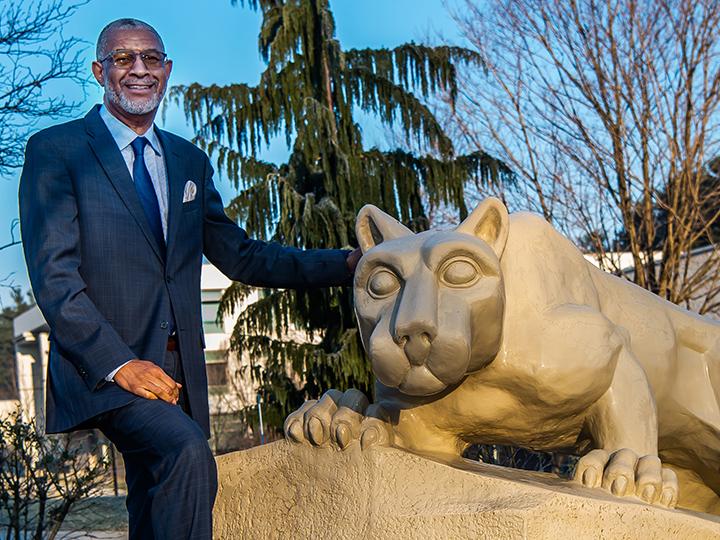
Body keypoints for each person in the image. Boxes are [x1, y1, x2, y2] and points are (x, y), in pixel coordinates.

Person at [19, 18, 360, 540]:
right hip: (107, 370)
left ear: (167, 70)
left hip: (179, 372)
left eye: (151, 59)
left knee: (154, 493)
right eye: (123, 58)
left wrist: (346, 264)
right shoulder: (58, 150)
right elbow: (55, 279)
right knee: (185, 452)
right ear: (99, 70)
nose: (139, 70)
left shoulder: (188, 162)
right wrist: (119, 364)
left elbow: (243, 257)